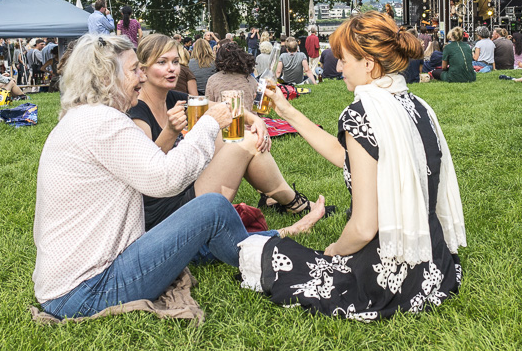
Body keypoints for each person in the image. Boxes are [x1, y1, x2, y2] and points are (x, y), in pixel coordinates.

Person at [33, 35, 323, 319]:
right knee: (212, 207)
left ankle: (270, 242)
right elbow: (166, 180)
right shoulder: (103, 123)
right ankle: (275, 257)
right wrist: (208, 125)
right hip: (87, 292)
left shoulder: (86, 118)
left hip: (71, 287)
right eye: (135, 70)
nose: (142, 78)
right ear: (107, 77)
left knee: (207, 216)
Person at [238, 11, 466, 321]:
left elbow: (362, 228)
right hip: (432, 261)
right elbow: (345, 155)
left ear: (369, 64)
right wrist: (287, 111)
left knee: (257, 252)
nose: (339, 67)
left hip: (387, 277)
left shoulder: (363, 113)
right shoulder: (413, 104)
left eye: (344, 59)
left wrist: (334, 249)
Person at [128, 34, 326, 230]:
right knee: (245, 141)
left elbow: (224, 107)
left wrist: (256, 119)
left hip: (186, 186)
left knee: (246, 136)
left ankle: (284, 201)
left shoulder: (174, 98)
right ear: (143, 70)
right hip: (168, 213)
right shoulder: (138, 114)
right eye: (162, 62)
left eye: (175, 61)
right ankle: (294, 203)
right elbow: (147, 172)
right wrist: (171, 131)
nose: (171, 68)